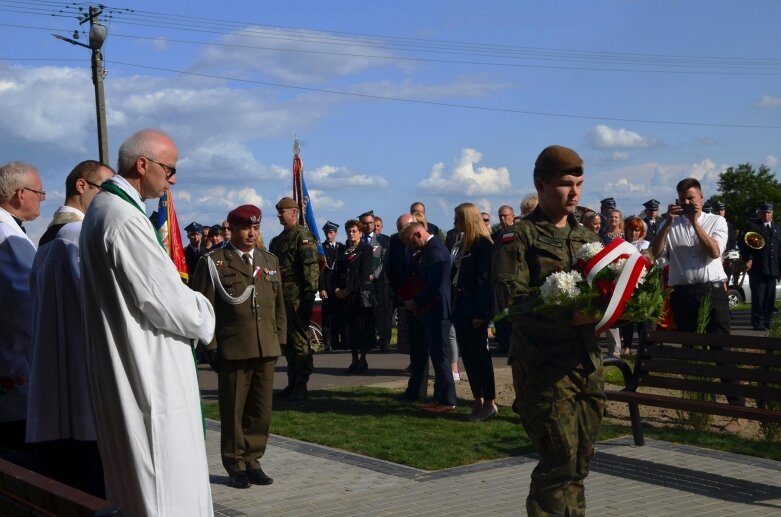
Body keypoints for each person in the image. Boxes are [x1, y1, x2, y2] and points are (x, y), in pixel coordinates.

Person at [80, 129, 216, 516]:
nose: (173, 179)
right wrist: (206, 311)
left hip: (138, 365)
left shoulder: (109, 209)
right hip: (149, 376)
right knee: (165, 490)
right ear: (143, 165)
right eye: (169, 169)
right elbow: (164, 300)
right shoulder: (121, 217)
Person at [493, 144, 605, 516]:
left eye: (579, 183)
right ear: (541, 184)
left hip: (586, 366)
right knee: (559, 463)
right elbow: (514, 302)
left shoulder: (588, 240)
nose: (575, 192)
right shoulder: (519, 238)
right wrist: (570, 318)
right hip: (544, 370)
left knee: (579, 463)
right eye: (565, 184)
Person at [26, 160, 113, 497]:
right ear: (81, 186)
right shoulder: (77, 235)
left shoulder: (50, 237)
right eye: (104, 190)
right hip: (83, 374)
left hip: (55, 376)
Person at [191, 204, 285, 490]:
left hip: (265, 345)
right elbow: (202, 307)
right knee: (233, 409)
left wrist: (279, 339)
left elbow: (278, 305)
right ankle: (235, 464)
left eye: (255, 228)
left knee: (260, 409)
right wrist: (211, 345)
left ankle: (254, 460)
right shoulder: (214, 261)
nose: (251, 233)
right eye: (246, 228)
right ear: (231, 229)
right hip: (233, 347)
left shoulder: (269, 261)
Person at [651, 177, 745, 431]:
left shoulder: (717, 221)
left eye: (691, 198)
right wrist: (667, 225)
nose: (687, 203)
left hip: (712, 292)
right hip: (683, 293)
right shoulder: (670, 224)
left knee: (721, 350)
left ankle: (737, 409)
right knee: (693, 352)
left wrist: (695, 224)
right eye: (682, 199)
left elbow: (714, 252)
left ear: (701, 198)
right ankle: (703, 408)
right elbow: (655, 253)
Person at [0, 161, 44, 452]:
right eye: (39, 193)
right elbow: (27, 308)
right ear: (19, 194)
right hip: (15, 371)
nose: (41, 198)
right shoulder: (9, 238)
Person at [402, 221, 457, 412]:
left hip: (437, 310)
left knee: (441, 357)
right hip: (433, 309)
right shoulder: (432, 249)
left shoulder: (434, 251)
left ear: (418, 234)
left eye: (411, 242)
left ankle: (447, 400)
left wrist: (416, 302)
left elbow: (434, 285)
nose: (412, 247)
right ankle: (441, 397)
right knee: (437, 355)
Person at [269, 197, 319, 401]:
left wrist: (309, 295)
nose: (280, 215)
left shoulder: (302, 236)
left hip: (298, 296)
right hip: (282, 297)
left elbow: (310, 268)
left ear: (294, 212)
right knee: (288, 342)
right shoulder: (278, 240)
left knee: (299, 341)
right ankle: (291, 383)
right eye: (278, 212)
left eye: (283, 211)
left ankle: (301, 385)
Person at [451, 203, 496, 421]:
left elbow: (485, 281)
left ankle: (490, 401)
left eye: (458, 218)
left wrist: (481, 314)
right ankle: (477, 398)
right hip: (461, 304)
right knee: (468, 356)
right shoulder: (465, 245)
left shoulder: (483, 245)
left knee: (480, 356)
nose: (454, 223)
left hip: (475, 307)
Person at [335, 219, 376, 373]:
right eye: (349, 231)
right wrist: (337, 288)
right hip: (345, 297)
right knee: (350, 329)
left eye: (354, 231)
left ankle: (363, 360)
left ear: (360, 232)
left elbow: (364, 274)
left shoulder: (365, 250)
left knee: (361, 329)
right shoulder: (344, 250)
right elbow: (337, 272)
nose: (351, 234)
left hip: (359, 296)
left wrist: (349, 289)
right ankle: (353, 360)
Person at [738, 202, 781, 331]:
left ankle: (768, 320)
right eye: (763, 212)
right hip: (758, 268)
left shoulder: (777, 228)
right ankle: (758, 322)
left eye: (768, 212)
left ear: (772, 213)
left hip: (773, 269)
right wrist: (749, 259)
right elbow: (743, 245)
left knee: (769, 298)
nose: (766, 215)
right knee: (758, 297)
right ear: (759, 213)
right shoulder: (752, 226)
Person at [359, 210, 392, 353]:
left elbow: (384, 260)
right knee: (366, 313)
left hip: (380, 283)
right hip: (363, 283)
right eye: (365, 223)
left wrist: (374, 275)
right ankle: (368, 341)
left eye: (371, 223)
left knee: (382, 313)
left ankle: (384, 341)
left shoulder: (383, 241)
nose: (368, 226)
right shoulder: (357, 240)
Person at [619, 216, 651, 356]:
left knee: (643, 318)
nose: (633, 233)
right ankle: (627, 346)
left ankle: (644, 346)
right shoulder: (622, 245)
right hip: (627, 284)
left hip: (644, 285)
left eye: (636, 230)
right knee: (628, 318)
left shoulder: (647, 245)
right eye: (631, 230)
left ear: (641, 231)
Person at [491, 205, 517, 355]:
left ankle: (512, 343)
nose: (502, 219)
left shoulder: (516, 232)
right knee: (499, 314)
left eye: (505, 215)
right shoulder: (496, 236)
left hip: (511, 280)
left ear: (512, 216)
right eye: (500, 216)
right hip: (497, 282)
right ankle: (503, 342)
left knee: (510, 313)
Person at [319, 221, 346, 350]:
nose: (328, 236)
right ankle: (327, 342)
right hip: (328, 286)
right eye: (326, 233)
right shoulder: (322, 249)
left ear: (335, 233)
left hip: (340, 287)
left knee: (339, 315)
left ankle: (338, 341)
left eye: (331, 233)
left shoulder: (342, 247)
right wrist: (322, 288)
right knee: (328, 316)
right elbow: (320, 271)